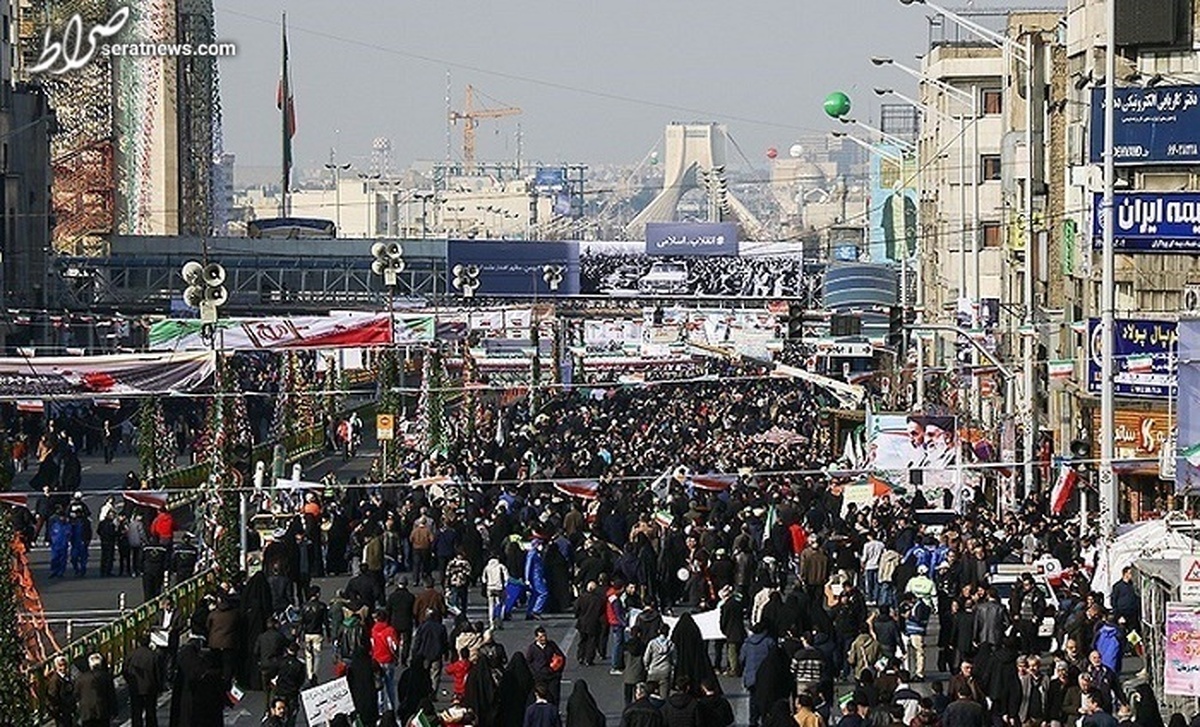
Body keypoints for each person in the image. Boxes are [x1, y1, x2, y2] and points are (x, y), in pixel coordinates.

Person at [123, 634, 162, 727]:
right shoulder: (153, 655)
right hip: (150, 688)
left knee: (136, 713)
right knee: (151, 712)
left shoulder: (131, 655)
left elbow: (124, 671)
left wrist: (130, 682)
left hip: (135, 688)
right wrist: (159, 686)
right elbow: (158, 673)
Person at [526, 626, 567, 707]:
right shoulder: (532, 648)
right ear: (536, 638)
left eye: (544, 636)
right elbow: (528, 662)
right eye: (541, 637)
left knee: (554, 696)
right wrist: (534, 673)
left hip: (552, 676)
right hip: (540, 677)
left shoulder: (551, 645)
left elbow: (561, 657)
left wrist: (558, 672)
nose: (543, 638)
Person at [370, 609, 401, 714]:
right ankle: (392, 707)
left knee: (379, 686)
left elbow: (372, 645)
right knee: (390, 685)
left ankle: (380, 709)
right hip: (388, 660)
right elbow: (394, 646)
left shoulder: (373, 630)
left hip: (377, 660)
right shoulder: (390, 630)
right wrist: (396, 657)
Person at [299, 586, 331, 686]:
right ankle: (315, 675)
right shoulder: (322, 606)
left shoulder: (304, 606)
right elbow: (326, 622)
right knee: (317, 655)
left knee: (308, 656)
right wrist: (328, 634)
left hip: (307, 633)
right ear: (317, 594)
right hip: (318, 633)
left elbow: (302, 622)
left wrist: (300, 635)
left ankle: (309, 674)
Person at [45, 655, 76, 727]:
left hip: (69, 710)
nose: (63, 667)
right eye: (60, 665)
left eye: (64, 665)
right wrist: (57, 712)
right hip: (62, 713)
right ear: (56, 667)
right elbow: (52, 697)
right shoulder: (55, 681)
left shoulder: (67, 676)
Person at [483, 556, 510, 631]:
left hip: (490, 588)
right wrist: (505, 585)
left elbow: (483, 579)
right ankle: (500, 622)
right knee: (501, 605)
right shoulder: (501, 566)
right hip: (499, 588)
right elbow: (507, 578)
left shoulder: (487, 567)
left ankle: (491, 623)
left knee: (491, 605)